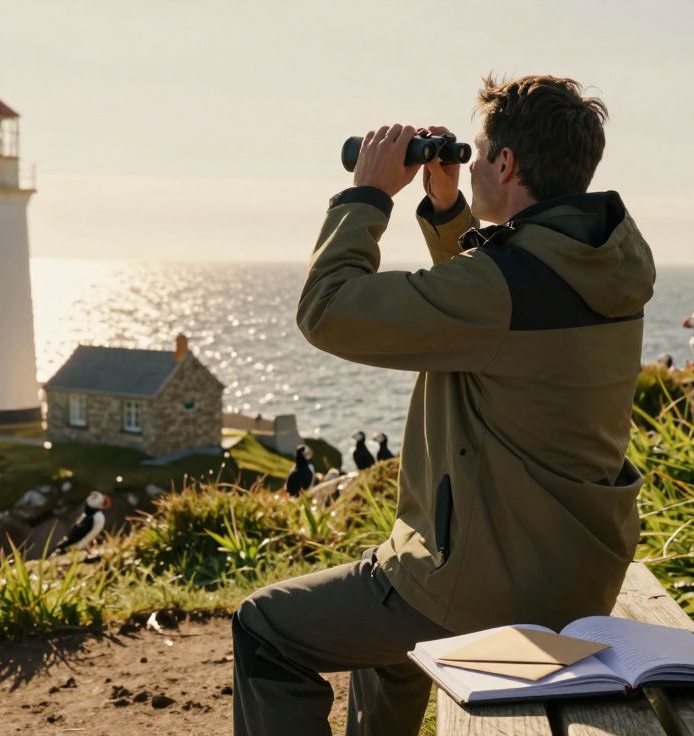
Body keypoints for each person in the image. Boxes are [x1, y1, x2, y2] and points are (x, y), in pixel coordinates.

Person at [232, 75, 656, 736]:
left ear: (506, 162)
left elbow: (327, 312)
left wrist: (366, 194)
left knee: (265, 626)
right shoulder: (603, 261)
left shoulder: (504, 289)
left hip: (490, 591)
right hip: (571, 571)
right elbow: (500, 309)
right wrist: (448, 210)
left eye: (480, 151)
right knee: (387, 621)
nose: (473, 160)